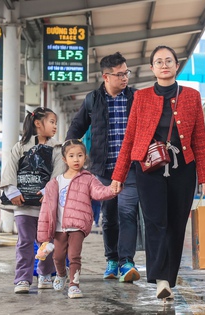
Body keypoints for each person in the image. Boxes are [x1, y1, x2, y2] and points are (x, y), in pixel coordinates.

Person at [111, 45, 205, 300]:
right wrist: (118, 175)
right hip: (149, 169)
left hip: (184, 169)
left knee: (177, 224)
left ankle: (169, 274)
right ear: (152, 68)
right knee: (156, 222)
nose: (164, 65)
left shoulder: (191, 96)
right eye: (159, 61)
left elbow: (200, 138)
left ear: (177, 66)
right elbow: (130, 137)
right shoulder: (141, 97)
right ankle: (162, 280)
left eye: (169, 61)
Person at [66, 52, 140, 283]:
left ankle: (127, 262)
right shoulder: (92, 100)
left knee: (128, 213)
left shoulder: (137, 98)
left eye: (126, 72)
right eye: (119, 74)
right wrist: (70, 156)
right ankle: (112, 259)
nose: (125, 78)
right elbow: (76, 128)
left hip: (131, 169)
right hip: (104, 170)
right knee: (109, 217)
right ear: (105, 77)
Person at [37, 139, 117, 299]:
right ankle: (61, 274)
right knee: (58, 257)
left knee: (74, 256)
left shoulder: (89, 179)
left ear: (85, 157)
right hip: (59, 227)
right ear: (64, 159)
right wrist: (44, 236)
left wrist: (113, 189)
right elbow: (46, 210)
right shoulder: (55, 182)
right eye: (72, 155)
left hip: (78, 226)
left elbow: (99, 192)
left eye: (80, 155)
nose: (76, 159)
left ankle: (74, 285)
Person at [0, 107, 64, 294]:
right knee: (25, 242)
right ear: (38, 123)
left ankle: (44, 275)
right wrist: (12, 191)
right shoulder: (19, 147)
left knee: (46, 241)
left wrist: (48, 190)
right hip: (23, 205)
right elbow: (10, 169)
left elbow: (58, 172)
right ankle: (22, 279)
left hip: (47, 205)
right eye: (51, 122)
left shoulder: (57, 148)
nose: (54, 127)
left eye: (55, 123)